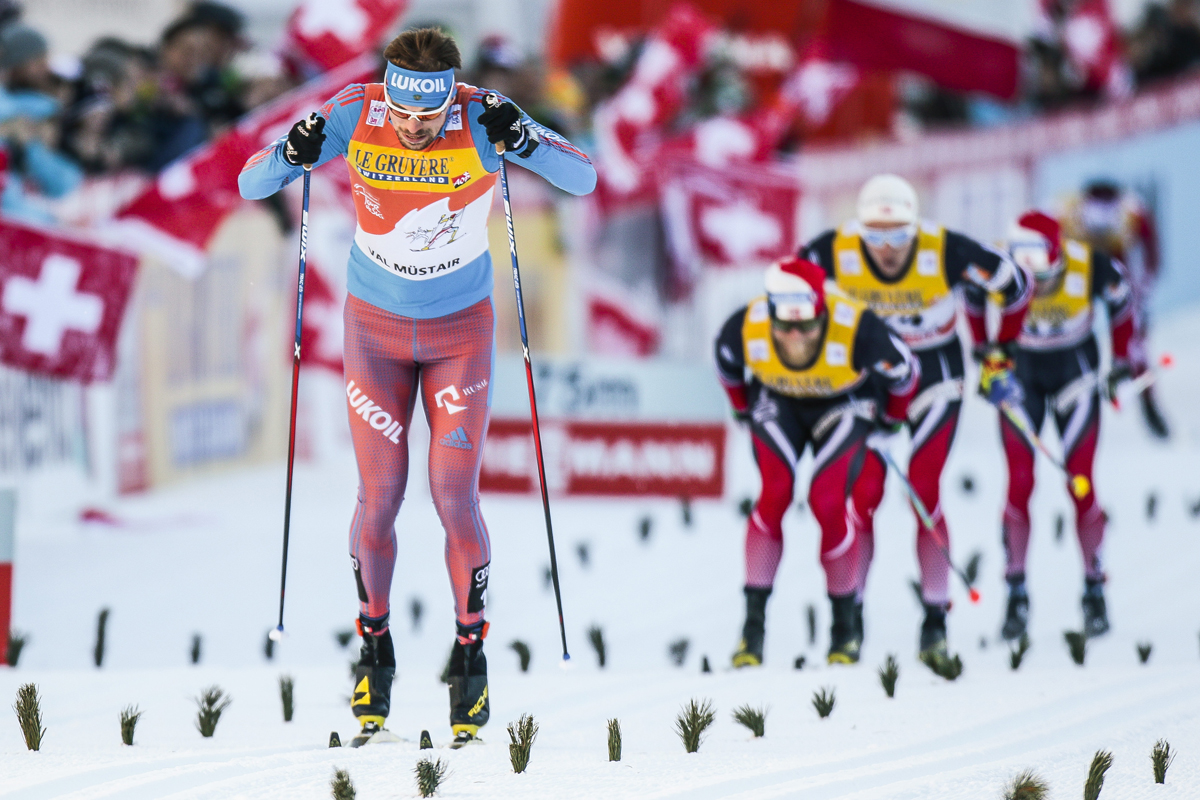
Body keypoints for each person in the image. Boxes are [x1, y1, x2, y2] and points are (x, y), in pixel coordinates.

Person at [238, 27, 596, 747]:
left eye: (428, 119)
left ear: (450, 100)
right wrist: (292, 151)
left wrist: (522, 137)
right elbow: (253, 182)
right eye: (404, 114)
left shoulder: (482, 114)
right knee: (378, 499)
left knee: (452, 495)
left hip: (460, 334)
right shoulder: (354, 113)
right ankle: (375, 646)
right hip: (373, 334)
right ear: (389, 93)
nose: (413, 129)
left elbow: (583, 177)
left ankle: (470, 652)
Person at [800, 174, 1031, 667]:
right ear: (859, 230)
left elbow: (1015, 285)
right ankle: (850, 618)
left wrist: (998, 352)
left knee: (922, 491)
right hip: (871, 381)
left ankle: (934, 620)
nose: (887, 250)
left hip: (934, 374)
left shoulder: (942, 249)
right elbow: (788, 295)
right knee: (862, 499)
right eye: (876, 238)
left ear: (916, 229)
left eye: (899, 236)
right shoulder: (833, 250)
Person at [715, 256, 919, 666]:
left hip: (843, 403)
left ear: (821, 312)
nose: (793, 335)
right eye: (784, 324)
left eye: (806, 325)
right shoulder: (746, 325)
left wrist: (891, 421)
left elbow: (906, 374)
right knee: (774, 494)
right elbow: (727, 364)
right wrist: (741, 409)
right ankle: (751, 632)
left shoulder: (857, 327)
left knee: (827, 502)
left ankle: (844, 628)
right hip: (779, 401)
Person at [998, 211, 1137, 641]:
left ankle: (1094, 591)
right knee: (1020, 483)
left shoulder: (1088, 264)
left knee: (1080, 483)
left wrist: (1120, 360)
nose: (1030, 275)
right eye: (1022, 261)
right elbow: (969, 295)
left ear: (1056, 254)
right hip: (1021, 380)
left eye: (1038, 262)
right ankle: (1016, 594)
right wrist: (990, 357)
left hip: (1075, 375)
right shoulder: (1002, 268)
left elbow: (1121, 301)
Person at [1061, 179, 1167, 438]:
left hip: (1117, 277)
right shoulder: (1067, 210)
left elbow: (1151, 250)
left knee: (1135, 342)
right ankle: (1064, 394)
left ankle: (1148, 402)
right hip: (1081, 276)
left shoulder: (1133, 210)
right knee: (1067, 333)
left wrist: (1143, 287)